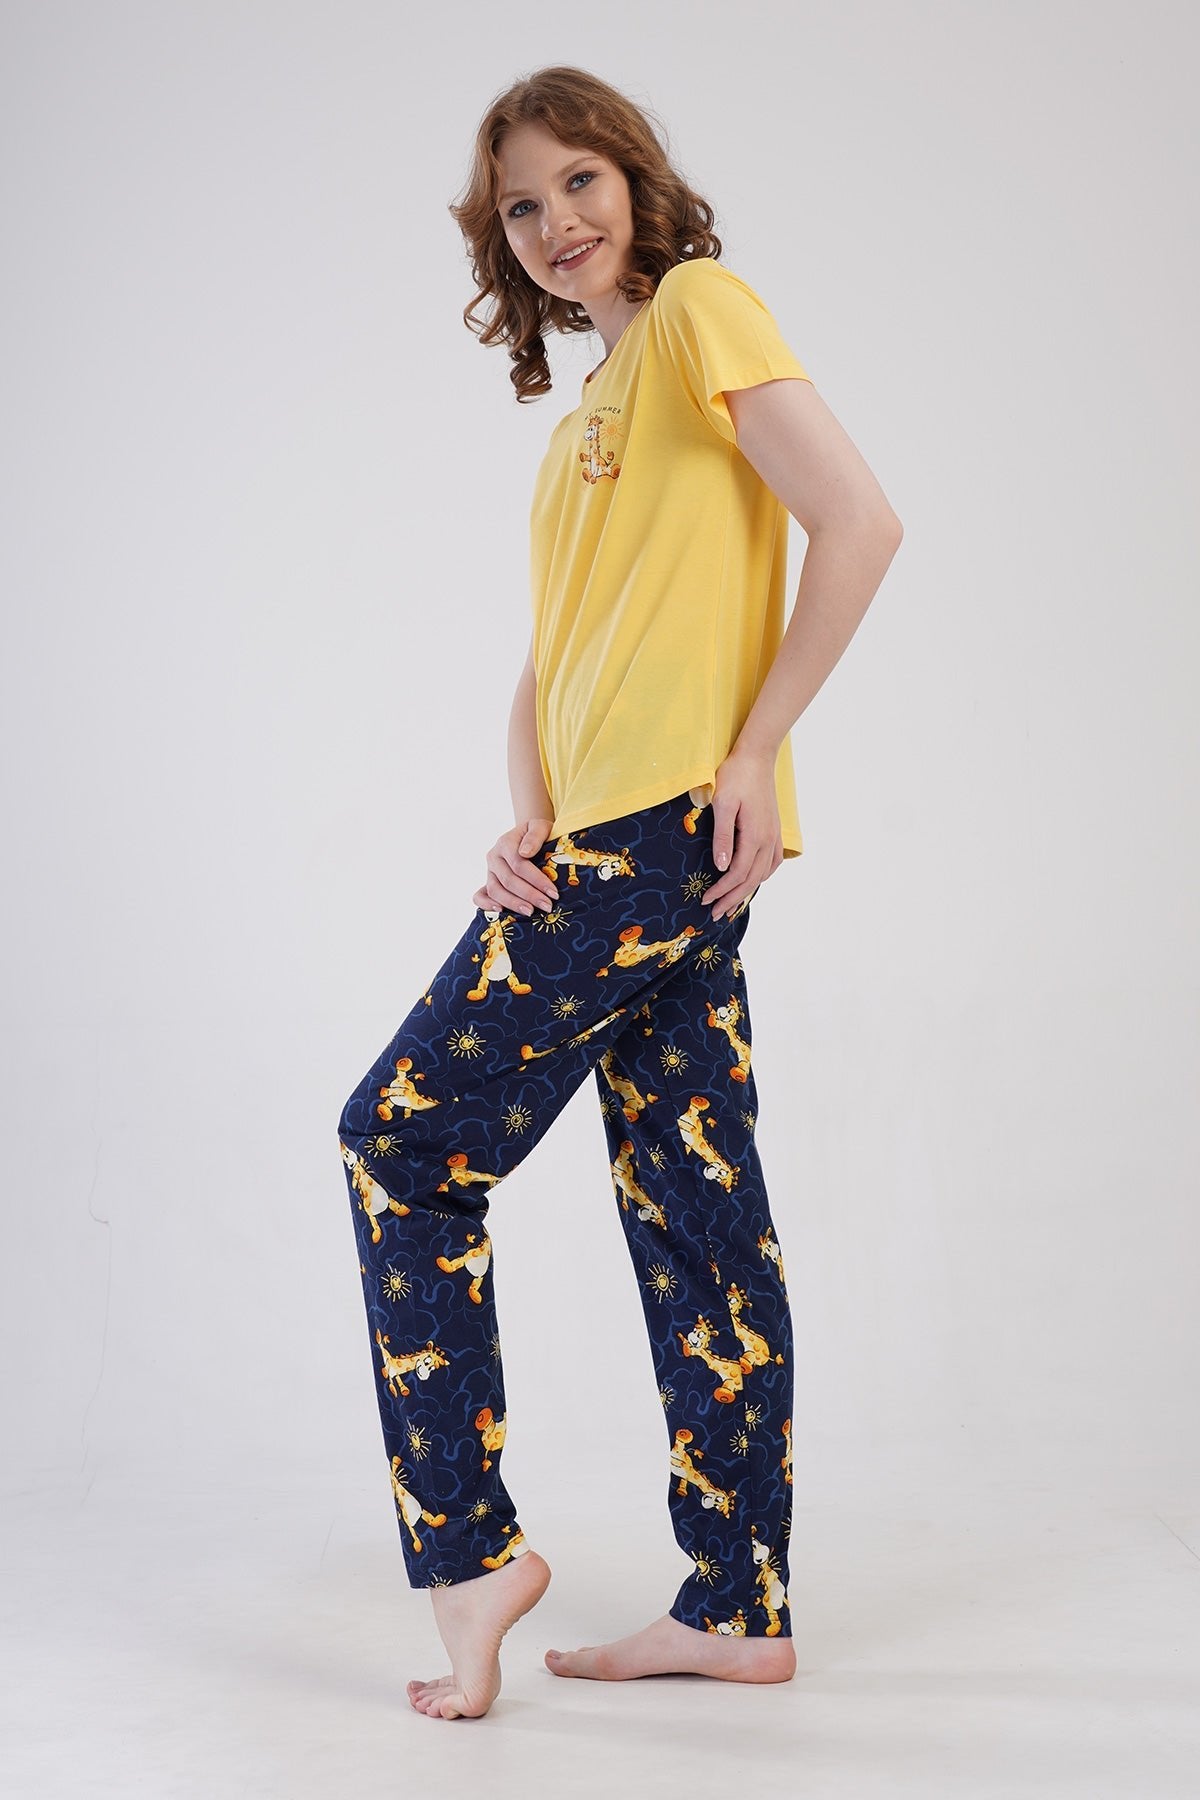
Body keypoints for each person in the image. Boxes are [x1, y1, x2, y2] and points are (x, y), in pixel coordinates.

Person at [335, 64, 903, 1722]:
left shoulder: (702, 314)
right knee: (691, 1202)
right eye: (522, 206)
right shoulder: (582, 418)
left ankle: (471, 1560)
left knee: (400, 1145)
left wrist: (757, 749)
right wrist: (526, 818)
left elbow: (859, 524)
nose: (556, 222)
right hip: (607, 844)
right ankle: (736, 1605)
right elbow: (556, 661)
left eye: (578, 181)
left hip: (663, 833)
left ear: (637, 180)